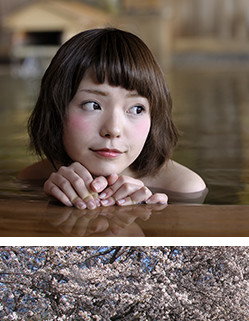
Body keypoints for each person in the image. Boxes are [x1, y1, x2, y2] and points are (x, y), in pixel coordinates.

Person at [19, 28, 206, 209]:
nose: (113, 129)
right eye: (93, 105)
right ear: (56, 110)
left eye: (136, 109)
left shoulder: (183, 188)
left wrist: (150, 217)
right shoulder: (34, 179)